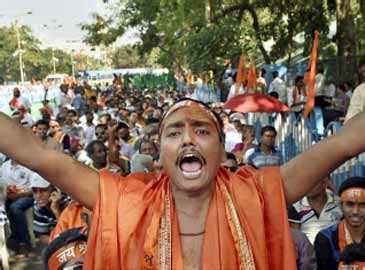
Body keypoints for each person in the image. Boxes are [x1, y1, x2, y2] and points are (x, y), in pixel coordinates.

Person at [1, 98, 365, 268]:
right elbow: (37, 154)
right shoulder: (127, 199)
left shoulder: (256, 192)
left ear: (222, 149)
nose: (189, 139)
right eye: (175, 132)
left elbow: (342, 143)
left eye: (202, 130)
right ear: (160, 153)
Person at [314, 177, 365, 269]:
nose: (355, 211)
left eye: (363, 205)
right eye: (350, 204)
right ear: (341, 206)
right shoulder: (325, 238)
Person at [294, 176, 342, 244]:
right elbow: (295, 241)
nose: (307, 186)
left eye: (311, 181)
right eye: (304, 182)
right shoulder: (296, 207)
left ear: (325, 182)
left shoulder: (339, 203)